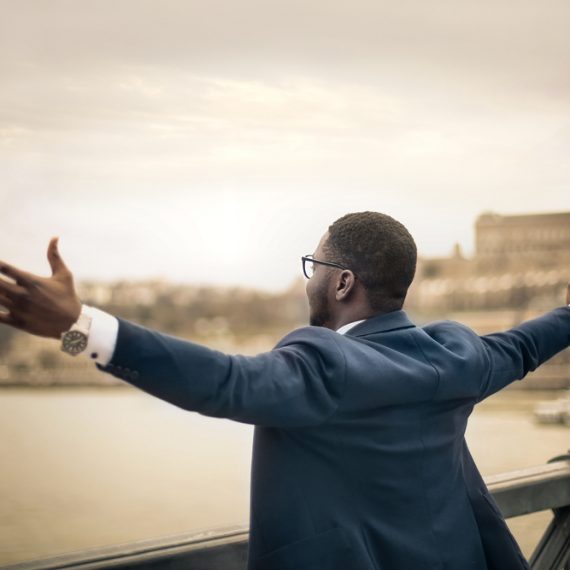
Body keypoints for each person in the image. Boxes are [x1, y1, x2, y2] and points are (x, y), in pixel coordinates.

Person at [0, 211, 569, 570]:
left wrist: (77, 329)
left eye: (313, 266)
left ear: (342, 281)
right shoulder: (460, 355)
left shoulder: (327, 367)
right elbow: (525, 345)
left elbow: (223, 381)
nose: (307, 279)